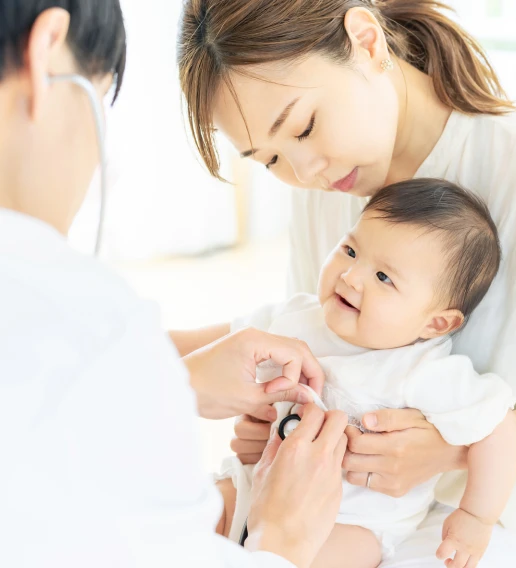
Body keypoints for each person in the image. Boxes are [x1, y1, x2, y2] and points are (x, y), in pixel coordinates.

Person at [176, 1, 516, 566]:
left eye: (305, 127)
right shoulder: (325, 187)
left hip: (505, 529)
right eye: (269, 159)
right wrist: (279, 423)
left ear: (366, 42)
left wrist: (457, 448)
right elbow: (321, 354)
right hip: (345, 515)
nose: (304, 172)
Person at [0, 2, 348, 566]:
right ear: (47, 53)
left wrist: (169, 373)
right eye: (100, 100)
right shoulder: (93, 325)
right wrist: (281, 538)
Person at [182, 179, 516, 568]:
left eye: (383, 278)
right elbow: (223, 346)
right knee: (191, 523)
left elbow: (499, 429)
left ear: (437, 323)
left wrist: (477, 516)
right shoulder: (296, 318)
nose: (351, 276)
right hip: (255, 481)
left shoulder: (424, 370)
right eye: (350, 250)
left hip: (354, 522)